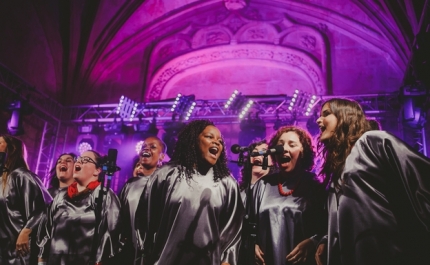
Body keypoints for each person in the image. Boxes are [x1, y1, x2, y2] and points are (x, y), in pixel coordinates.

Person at [315, 98, 430, 265]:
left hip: (388, 253)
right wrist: (327, 239)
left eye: (326, 114)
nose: (319, 120)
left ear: (345, 116)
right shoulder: (338, 169)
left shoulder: (372, 142)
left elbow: (421, 176)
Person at [136, 119, 244, 265]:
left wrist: (227, 259)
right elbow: (145, 219)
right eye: (209, 137)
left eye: (220, 141)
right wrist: (144, 255)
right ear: (193, 141)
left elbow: (233, 229)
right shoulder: (166, 175)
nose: (217, 143)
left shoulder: (227, 183)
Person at [253, 126, 326, 265]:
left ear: (303, 151)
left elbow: (328, 228)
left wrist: (313, 242)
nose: (284, 148)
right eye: (280, 145)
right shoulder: (262, 184)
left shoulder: (315, 186)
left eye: (291, 145)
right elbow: (246, 226)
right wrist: (251, 245)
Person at [38, 150, 122, 265]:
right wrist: (42, 260)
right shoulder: (60, 196)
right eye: (79, 159)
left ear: (97, 170)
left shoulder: (104, 195)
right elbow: (47, 230)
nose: (80, 162)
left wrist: (100, 260)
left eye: (86, 160)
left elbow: (111, 233)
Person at [0, 134, 52, 265]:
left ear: (11, 149)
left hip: (17, 250)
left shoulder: (22, 176)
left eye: (0, 143)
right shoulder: (1, 179)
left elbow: (44, 207)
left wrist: (26, 231)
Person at [119, 136, 166, 265]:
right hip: (129, 253)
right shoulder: (130, 185)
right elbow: (120, 220)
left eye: (153, 147)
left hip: (157, 254)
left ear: (161, 157)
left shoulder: (166, 185)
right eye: (144, 146)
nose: (146, 148)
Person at [237, 139, 274, 265]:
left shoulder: (275, 194)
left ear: (272, 160)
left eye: (264, 152)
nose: (258, 155)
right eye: (255, 152)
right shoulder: (238, 193)